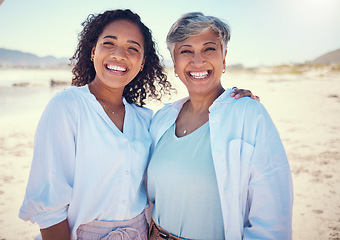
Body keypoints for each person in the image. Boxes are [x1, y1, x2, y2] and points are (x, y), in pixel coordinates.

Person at [18, 9, 255, 240]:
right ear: (93, 51)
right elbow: (49, 208)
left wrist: (229, 100)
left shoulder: (146, 120)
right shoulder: (67, 106)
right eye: (109, 43)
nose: (119, 55)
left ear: (142, 63)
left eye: (133, 48)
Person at [147, 12, 293, 239]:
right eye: (186, 51)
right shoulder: (161, 120)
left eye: (209, 49)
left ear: (223, 59)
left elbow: (272, 220)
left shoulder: (249, 114)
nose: (198, 60)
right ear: (175, 64)